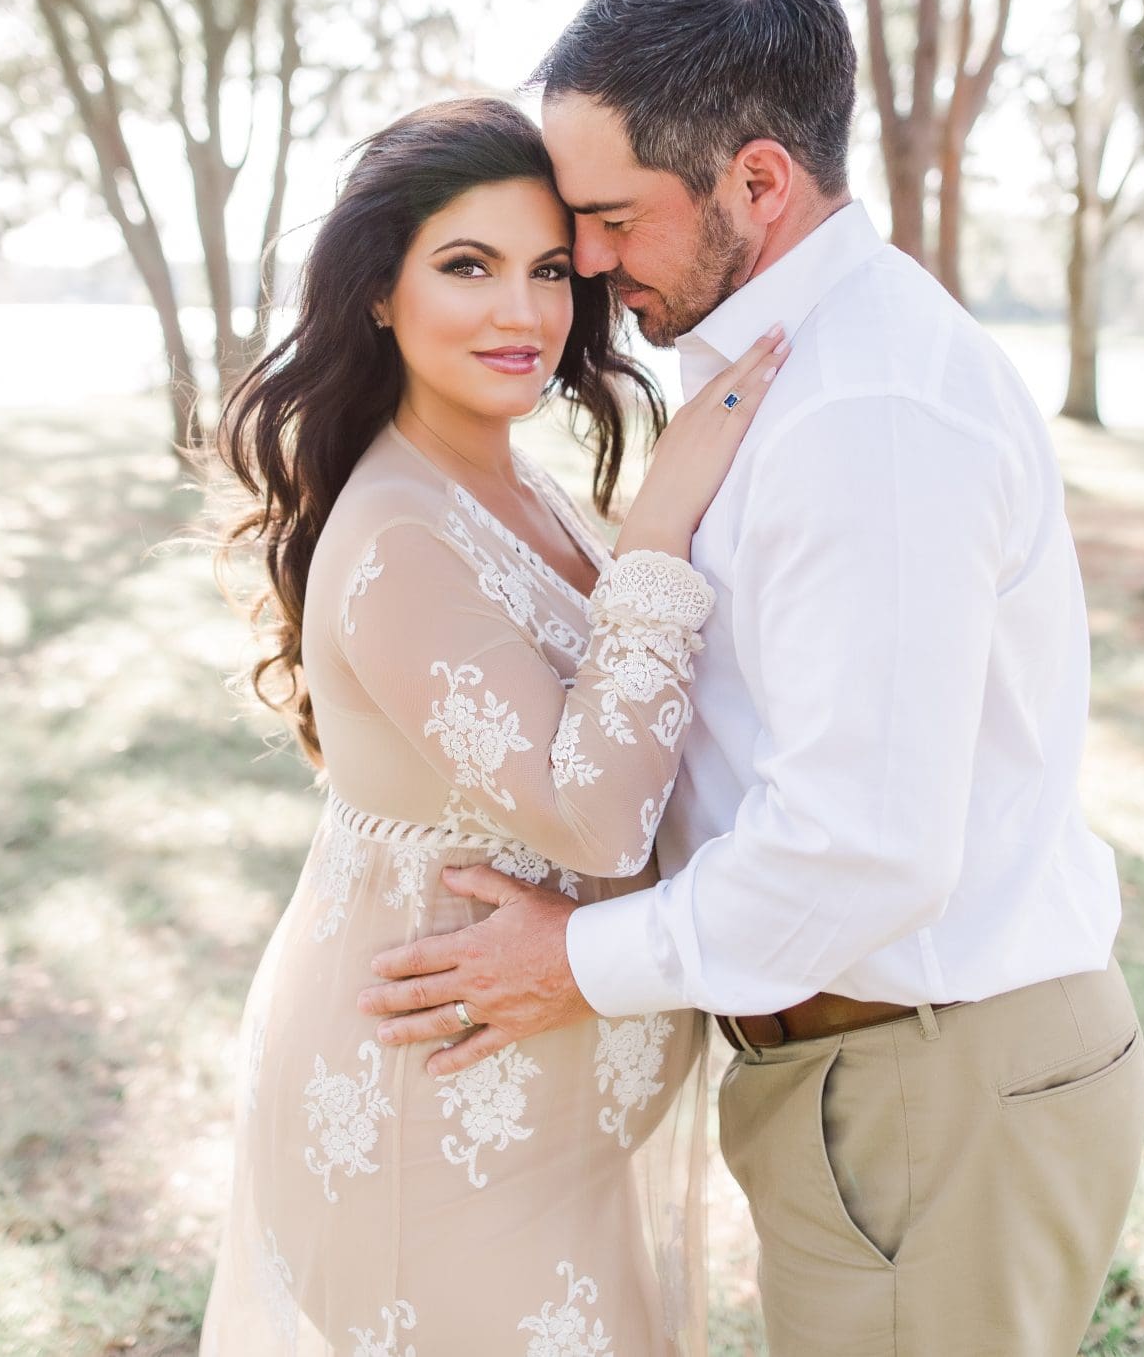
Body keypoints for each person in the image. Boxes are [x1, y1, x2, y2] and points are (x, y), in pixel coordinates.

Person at [358, 0, 1144, 1355]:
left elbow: (862, 850)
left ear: (759, 183)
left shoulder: (865, 416)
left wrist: (575, 962)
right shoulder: (790, 371)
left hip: (930, 1075)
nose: (580, 270)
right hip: (889, 1068)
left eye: (605, 220)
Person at [198, 94, 786, 1354]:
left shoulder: (510, 480)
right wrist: (659, 532)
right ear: (377, 290)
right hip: (431, 1127)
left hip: (538, 1137)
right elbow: (595, 807)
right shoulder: (402, 527)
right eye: (468, 266)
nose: (522, 313)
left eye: (551, 271)